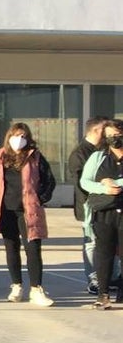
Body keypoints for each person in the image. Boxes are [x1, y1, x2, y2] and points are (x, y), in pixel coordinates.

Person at [0, 123, 56, 306]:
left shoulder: (35, 157)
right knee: (11, 248)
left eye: (23, 136)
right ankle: (16, 286)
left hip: (28, 210)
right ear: (9, 137)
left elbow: (49, 181)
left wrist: (40, 198)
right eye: (16, 135)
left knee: (32, 249)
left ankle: (36, 289)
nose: (19, 139)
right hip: (6, 209)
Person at [79, 118, 123, 310]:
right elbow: (85, 182)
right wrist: (103, 187)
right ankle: (103, 294)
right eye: (110, 136)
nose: (115, 139)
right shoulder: (98, 157)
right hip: (104, 212)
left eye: (118, 135)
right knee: (104, 254)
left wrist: (115, 183)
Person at [68, 116, 113, 294]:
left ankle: (110, 276)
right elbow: (81, 184)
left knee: (108, 242)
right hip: (89, 205)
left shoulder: (105, 150)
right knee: (91, 243)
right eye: (105, 130)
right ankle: (93, 278)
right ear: (96, 130)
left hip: (107, 204)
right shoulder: (80, 153)